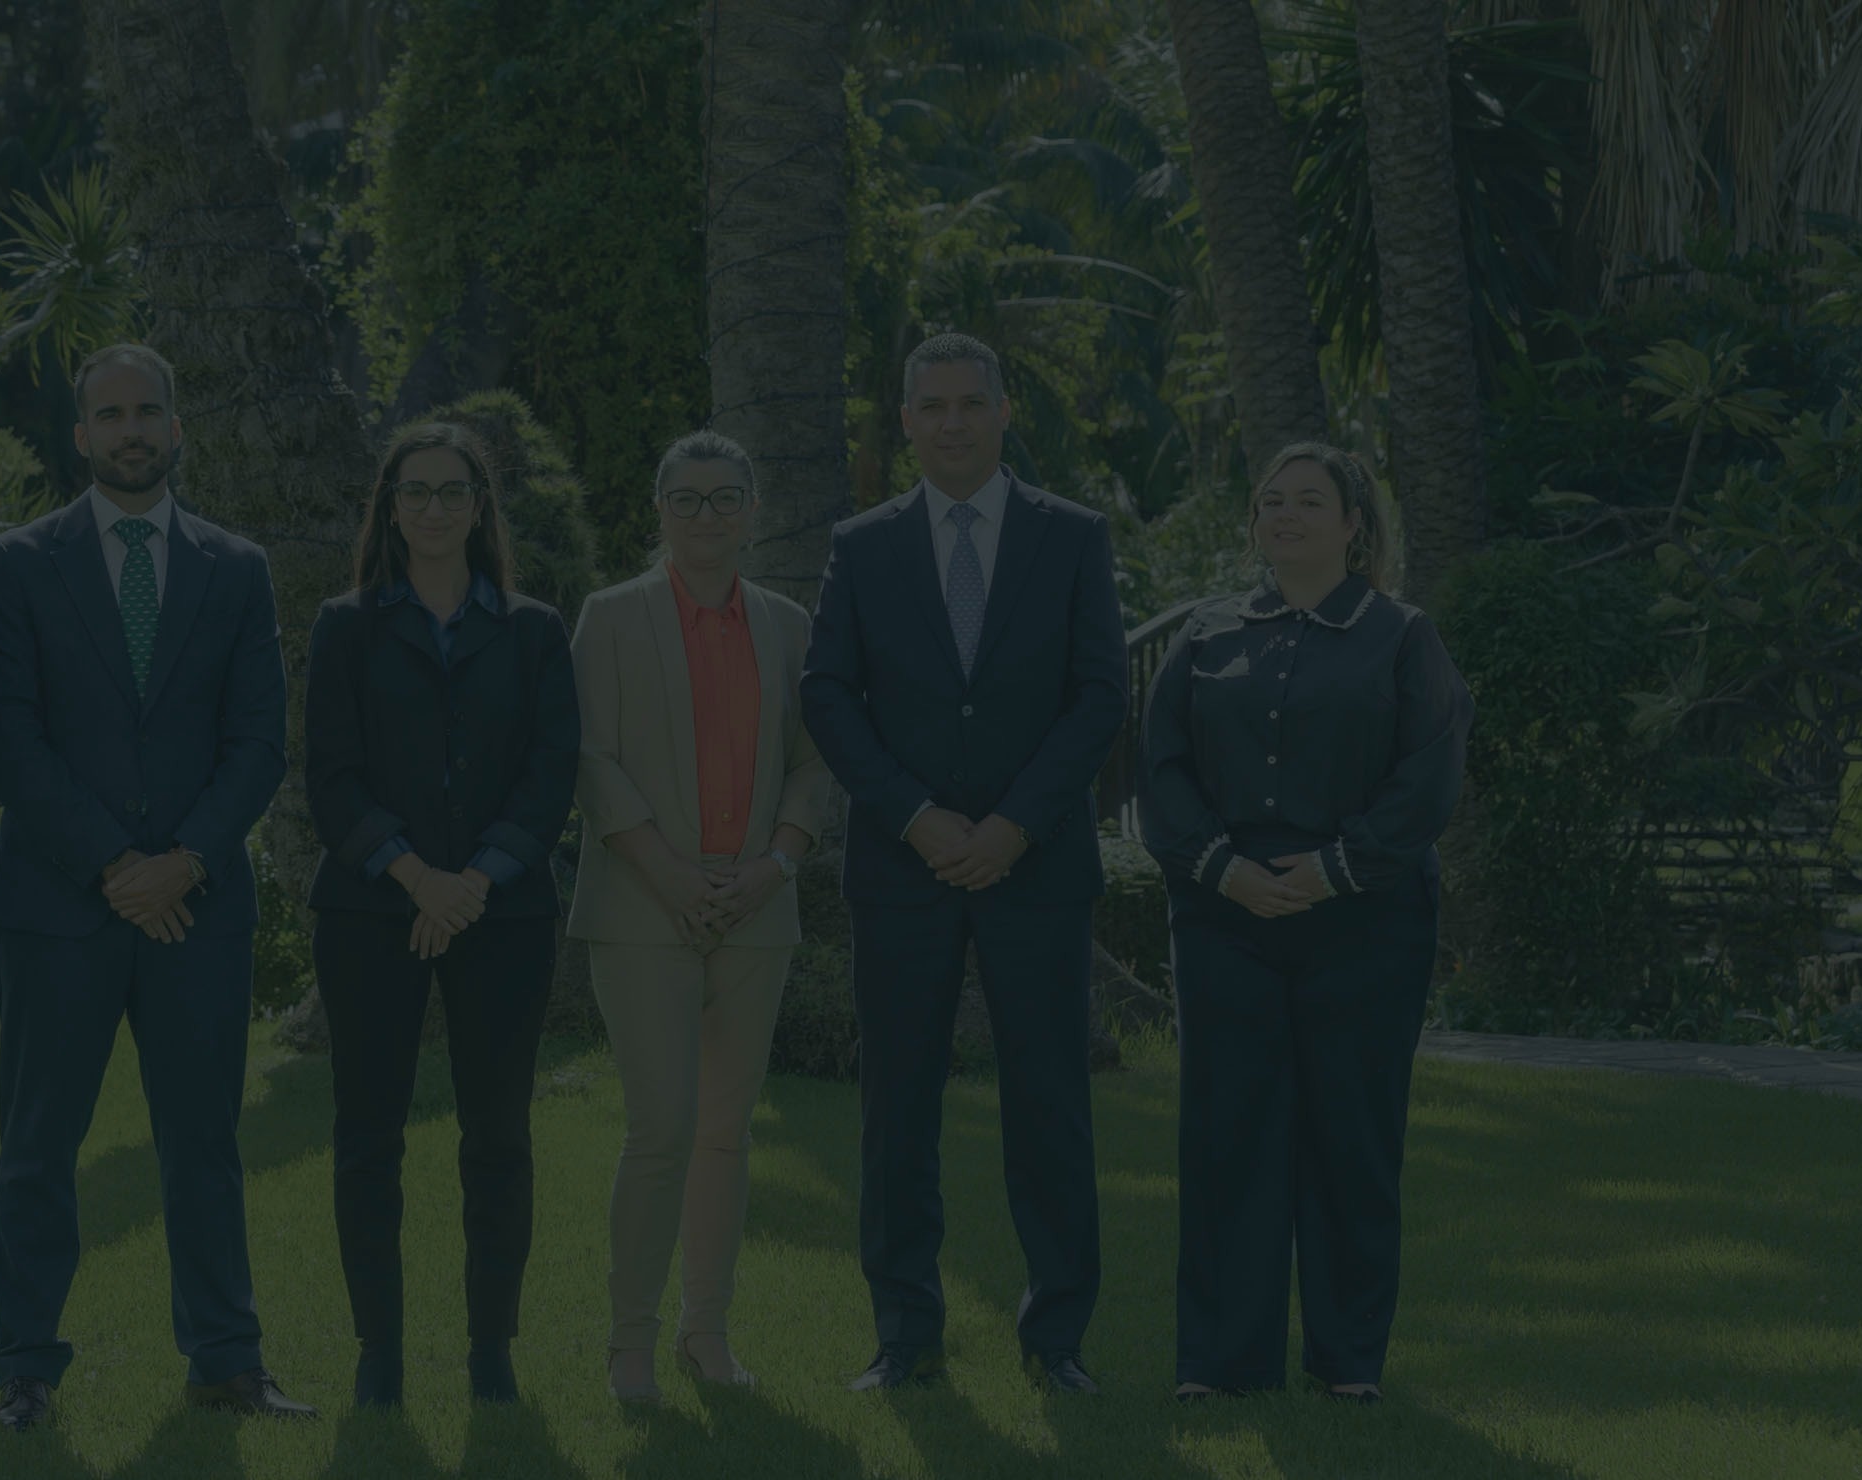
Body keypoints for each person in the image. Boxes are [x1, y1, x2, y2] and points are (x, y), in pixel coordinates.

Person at [0, 343, 312, 1425]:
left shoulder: (236, 566)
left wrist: (186, 860)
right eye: (107, 414)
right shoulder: (19, 563)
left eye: (147, 411)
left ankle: (225, 1359)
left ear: (176, 428)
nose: (128, 430)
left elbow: (259, 741)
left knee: (203, 1148)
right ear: (78, 435)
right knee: (36, 1148)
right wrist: (116, 866)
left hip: (197, 911)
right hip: (59, 909)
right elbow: (9, 741)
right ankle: (25, 1368)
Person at [800, 332, 1128, 1396]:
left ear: (1000, 414)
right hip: (904, 872)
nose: (949, 421)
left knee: (1050, 1112)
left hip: (1036, 870)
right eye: (928, 405)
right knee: (897, 1115)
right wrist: (916, 818)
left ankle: (1055, 1341)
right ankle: (904, 1338)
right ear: (903, 422)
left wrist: (1013, 826)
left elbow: (1097, 696)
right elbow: (826, 696)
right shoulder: (861, 544)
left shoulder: (1071, 537)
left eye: (968, 403)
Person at [1141, 441, 1472, 1406]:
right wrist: (1225, 871)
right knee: (1226, 1139)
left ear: (1354, 524)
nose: (1283, 516)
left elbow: (1430, 773)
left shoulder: (1403, 638)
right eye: (1269, 502)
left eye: (1308, 501)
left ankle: (1347, 1363)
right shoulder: (1203, 637)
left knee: (1352, 1142)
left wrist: (1334, 870)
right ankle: (1220, 1365)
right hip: (1224, 920)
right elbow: (1161, 771)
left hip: (1365, 924)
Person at [303, 422, 581, 1409]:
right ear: (390, 508)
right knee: (367, 1135)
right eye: (412, 492)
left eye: (449, 491)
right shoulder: (346, 626)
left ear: (477, 506)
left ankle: (489, 1352)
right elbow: (328, 778)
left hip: (500, 915)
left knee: (497, 1138)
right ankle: (377, 1353)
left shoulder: (535, 629)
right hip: (371, 910)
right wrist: (416, 876)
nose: (430, 508)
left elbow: (552, 777)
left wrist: (474, 881)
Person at [569, 430, 831, 1402]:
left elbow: (812, 760)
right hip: (643, 906)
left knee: (725, 1131)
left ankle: (704, 1336)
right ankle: (628, 1343)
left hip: (756, 907)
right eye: (687, 500)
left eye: (726, 498)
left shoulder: (788, 626)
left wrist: (774, 864)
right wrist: (671, 873)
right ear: (658, 510)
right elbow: (590, 758)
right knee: (662, 1125)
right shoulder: (608, 616)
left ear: (752, 510)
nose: (707, 516)